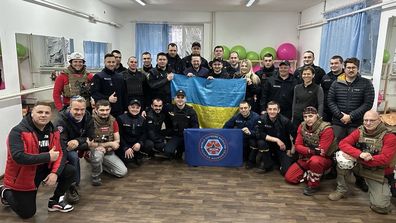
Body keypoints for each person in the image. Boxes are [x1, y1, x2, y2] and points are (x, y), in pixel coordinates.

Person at [0, 101, 75, 219]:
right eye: (40, 112)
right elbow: (18, 157)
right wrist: (48, 157)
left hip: (45, 169)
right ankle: (4, 191)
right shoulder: (17, 131)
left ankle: (54, 201)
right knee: (27, 213)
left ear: (51, 115)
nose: (43, 115)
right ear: (31, 113)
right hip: (24, 175)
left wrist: (55, 173)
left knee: (70, 170)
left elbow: (61, 152)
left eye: (47, 113)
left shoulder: (53, 130)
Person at [328, 111, 396, 215]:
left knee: (381, 207)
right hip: (360, 166)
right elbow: (343, 143)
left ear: (379, 121)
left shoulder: (389, 136)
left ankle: (381, 191)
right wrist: (359, 154)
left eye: (372, 120)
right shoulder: (360, 131)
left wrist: (356, 158)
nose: (368, 123)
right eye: (366, 120)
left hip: (377, 171)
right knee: (342, 158)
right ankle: (341, 189)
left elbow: (384, 159)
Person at [327, 57, 375, 192]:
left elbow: (368, 103)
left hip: (357, 123)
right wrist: (341, 116)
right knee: (334, 147)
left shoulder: (366, 84)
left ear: (357, 68)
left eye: (353, 67)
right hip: (338, 121)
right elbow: (330, 101)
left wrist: (351, 116)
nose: (351, 70)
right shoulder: (336, 83)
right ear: (345, 68)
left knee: (358, 150)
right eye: (348, 67)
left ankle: (359, 178)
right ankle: (333, 172)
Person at [285, 106, 336, 196]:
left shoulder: (327, 129)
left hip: (323, 159)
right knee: (290, 178)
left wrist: (307, 150)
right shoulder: (302, 126)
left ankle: (313, 185)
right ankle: (312, 174)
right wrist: (311, 151)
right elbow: (297, 146)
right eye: (305, 116)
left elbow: (322, 151)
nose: (308, 119)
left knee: (315, 161)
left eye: (311, 116)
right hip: (306, 157)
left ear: (317, 115)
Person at [54, 96, 95, 204]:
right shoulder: (60, 120)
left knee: (94, 147)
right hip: (60, 148)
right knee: (72, 156)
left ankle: (74, 184)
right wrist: (84, 142)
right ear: (70, 108)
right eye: (76, 109)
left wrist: (77, 141)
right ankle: (71, 186)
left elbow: (91, 136)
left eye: (82, 109)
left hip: (77, 144)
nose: (79, 112)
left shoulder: (87, 116)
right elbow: (63, 144)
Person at [89, 100, 128, 186]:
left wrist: (109, 147)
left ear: (110, 109)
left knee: (122, 172)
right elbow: (90, 144)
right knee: (98, 155)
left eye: (107, 110)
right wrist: (109, 144)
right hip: (93, 151)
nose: (105, 112)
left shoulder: (113, 121)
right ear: (96, 110)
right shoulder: (90, 122)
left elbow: (117, 141)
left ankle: (100, 165)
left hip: (108, 152)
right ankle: (96, 176)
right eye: (102, 110)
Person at [254, 101, 294, 175]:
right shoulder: (261, 119)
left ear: (278, 110)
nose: (272, 111)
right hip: (268, 145)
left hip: (282, 147)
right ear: (267, 110)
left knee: (286, 172)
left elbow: (293, 135)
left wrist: (289, 149)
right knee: (261, 142)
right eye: (270, 109)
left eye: (274, 109)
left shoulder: (285, 121)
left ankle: (278, 163)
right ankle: (267, 164)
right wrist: (276, 140)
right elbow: (259, 134)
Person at [163, 90, 199, 159]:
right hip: (176, 135)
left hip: (187, 136)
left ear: (185, 99)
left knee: (193, 155)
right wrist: (145, 111)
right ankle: (177, 150)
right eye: (178, 97)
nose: (180, 99)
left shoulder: (191, 111)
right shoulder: (170, 108)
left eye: (182, 97)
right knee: (167, 152)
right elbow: (158, 109)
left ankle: (182, 150)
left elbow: (196, 126)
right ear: (174, 99)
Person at [223, 100, 260, 167]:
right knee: (231, 142)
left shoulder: (256, 117)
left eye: (245, 108)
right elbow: (225, 127)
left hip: (252, 138)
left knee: (254, 142)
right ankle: (235, 158)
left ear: (250, 108)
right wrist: (233, 134)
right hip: (240, 139)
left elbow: (259, 133)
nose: (243, 110)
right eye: (241, 108)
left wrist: (250, 132)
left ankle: (251, 162)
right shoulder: (236, 117)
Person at [90, 53, 127, 117]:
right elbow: (94, 93)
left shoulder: (120, 77)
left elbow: (124, 93)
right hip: (104, 111)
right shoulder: (98, 76)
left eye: (113, 62)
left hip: (119, 112)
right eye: (109, 62)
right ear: (104, 62)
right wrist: (107, 98)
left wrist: (126, 109)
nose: (111, 64)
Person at [117, 99, 152, 165]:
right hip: (125, 143)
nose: (135, 109)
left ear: (140, 108)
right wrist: (126, 147)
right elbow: (119, 135)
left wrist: (139, 143)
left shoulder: (142, 119)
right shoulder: (120, 118)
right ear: (128, 107)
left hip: (136, 143)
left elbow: (144, 134)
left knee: (149, 144)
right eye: (133, 107)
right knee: (128, 160)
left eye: (137, 108)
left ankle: (138, 155)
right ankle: (132, 155)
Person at [292, 66, 324, 132]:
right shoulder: (297, 87)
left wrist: (319, 118)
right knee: (296, 136)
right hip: (297, 117)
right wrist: (293, 116)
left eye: (308, 74)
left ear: (313, 75)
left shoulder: (318, 88)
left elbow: (321, 104)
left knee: (309, 138)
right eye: (304, 74)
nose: (306, 76)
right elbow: (294, 102)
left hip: (310, 118)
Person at [321, 55, 344, 122]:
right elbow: (322, 93)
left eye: (336, 63)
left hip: (341, 111)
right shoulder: (325, 77)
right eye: (332, 63)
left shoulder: (347, 77)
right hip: (327, 111)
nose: (333, 65)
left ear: (342, 64)